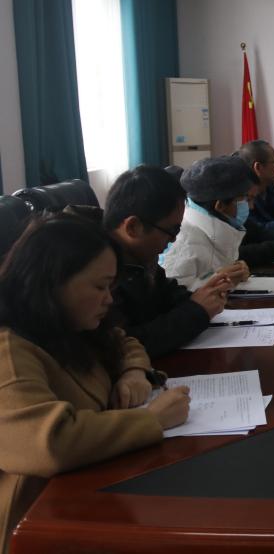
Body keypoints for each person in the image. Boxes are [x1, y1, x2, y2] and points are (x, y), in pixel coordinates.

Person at [0, 216, 190, 551]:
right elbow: (46, 444)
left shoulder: (69, 320)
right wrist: (152, 420)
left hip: (92, 487)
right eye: (100, 287)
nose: (109, 299)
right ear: (52, 283)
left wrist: (134, 372)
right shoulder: (9, 350)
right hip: (36, 523)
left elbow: (124, 342)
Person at [103, 166, 231, 360]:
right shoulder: (96, 270)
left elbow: (167, 295)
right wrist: (196, 311)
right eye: (172, 230)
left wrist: (204, 295)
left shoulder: (141, 256)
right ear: (133, 227)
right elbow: (124, 344)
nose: (173, 240)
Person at [160, 156, 253, 291]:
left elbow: (207, 273)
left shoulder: (218, 229)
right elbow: (171, 294)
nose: (250, 206)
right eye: (244, 199)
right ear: (220, 206)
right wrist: (219, 279)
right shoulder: (184, 241)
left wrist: (235, 272)